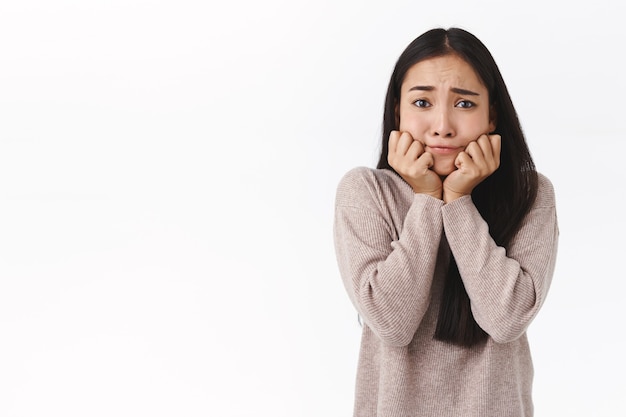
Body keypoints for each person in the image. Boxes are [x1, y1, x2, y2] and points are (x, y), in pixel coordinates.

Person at [333, 27, 559, 417]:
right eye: (421, 102)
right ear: (397, 114)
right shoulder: (366, 191)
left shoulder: (531, 194)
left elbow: (505, 320)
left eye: (465, 105)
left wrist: (458, 202)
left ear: (492, 117)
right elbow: (392, 323)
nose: (442, 125)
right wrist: (426, 199)